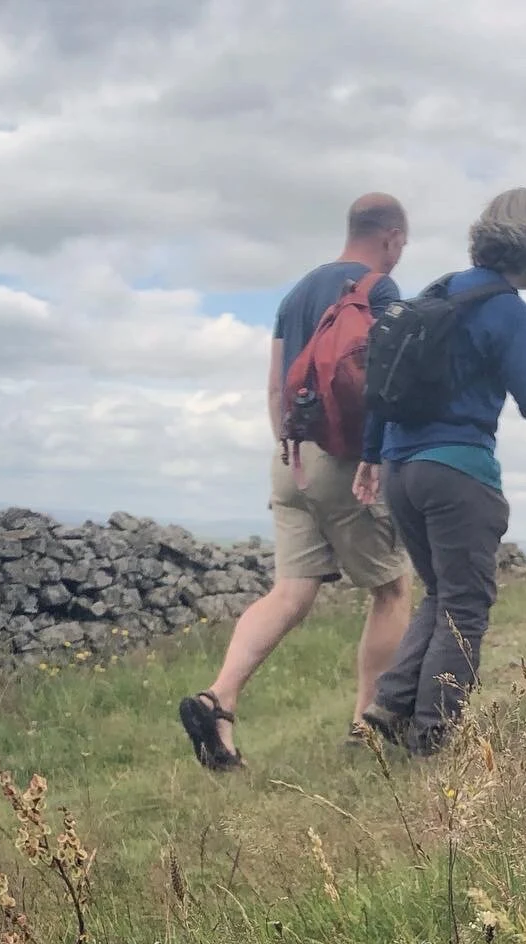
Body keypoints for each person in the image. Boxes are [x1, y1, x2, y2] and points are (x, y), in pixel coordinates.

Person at [355, 187, 526, 757]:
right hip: (457, 474)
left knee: (438, 594)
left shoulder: (436, 293)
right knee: (465, 606)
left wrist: (373, 455)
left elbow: (381, 383)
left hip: (400, 469)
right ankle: (434, 740)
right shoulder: (505, 310)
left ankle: (391, 704)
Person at [179, 193, 414, 769]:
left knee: (289, 591)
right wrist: (375, 459)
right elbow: (385, 389)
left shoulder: (294, 294)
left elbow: (274, 386)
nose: (400, 255)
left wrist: (290, 450)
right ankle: (367, 723)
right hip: (346, 460)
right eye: (402, 245)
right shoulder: (378, 291)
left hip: (290, 458)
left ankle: (220, 698)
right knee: (391, 589)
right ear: (390, 237)